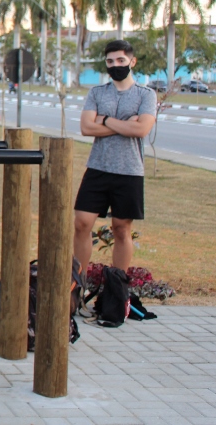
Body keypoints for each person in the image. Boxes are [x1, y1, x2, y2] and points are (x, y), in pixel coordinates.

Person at [74, 40, 157, 275]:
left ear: (132, 61)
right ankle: (77, 283)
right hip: (98, 167)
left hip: (129, 170)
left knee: (121, 229)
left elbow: (141, 129)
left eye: (121, 60)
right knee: (81, 223)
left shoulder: (146, 95)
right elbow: (86, 128)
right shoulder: (97, 93)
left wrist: (106, 120)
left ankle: (117, 285)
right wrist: (124, 125)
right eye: (110, 61)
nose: (115, 65)